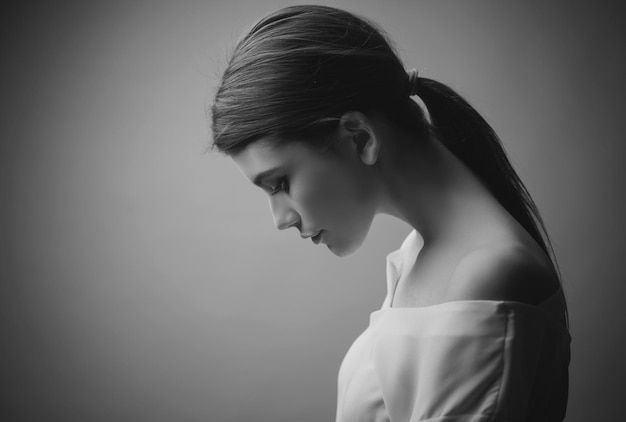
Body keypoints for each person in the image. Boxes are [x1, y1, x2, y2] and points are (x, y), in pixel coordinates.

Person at [209, 5, 570, 422]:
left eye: (281, 184)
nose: (280, 219)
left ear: (359, 136)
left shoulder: (488, 274)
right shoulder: (420, 253)